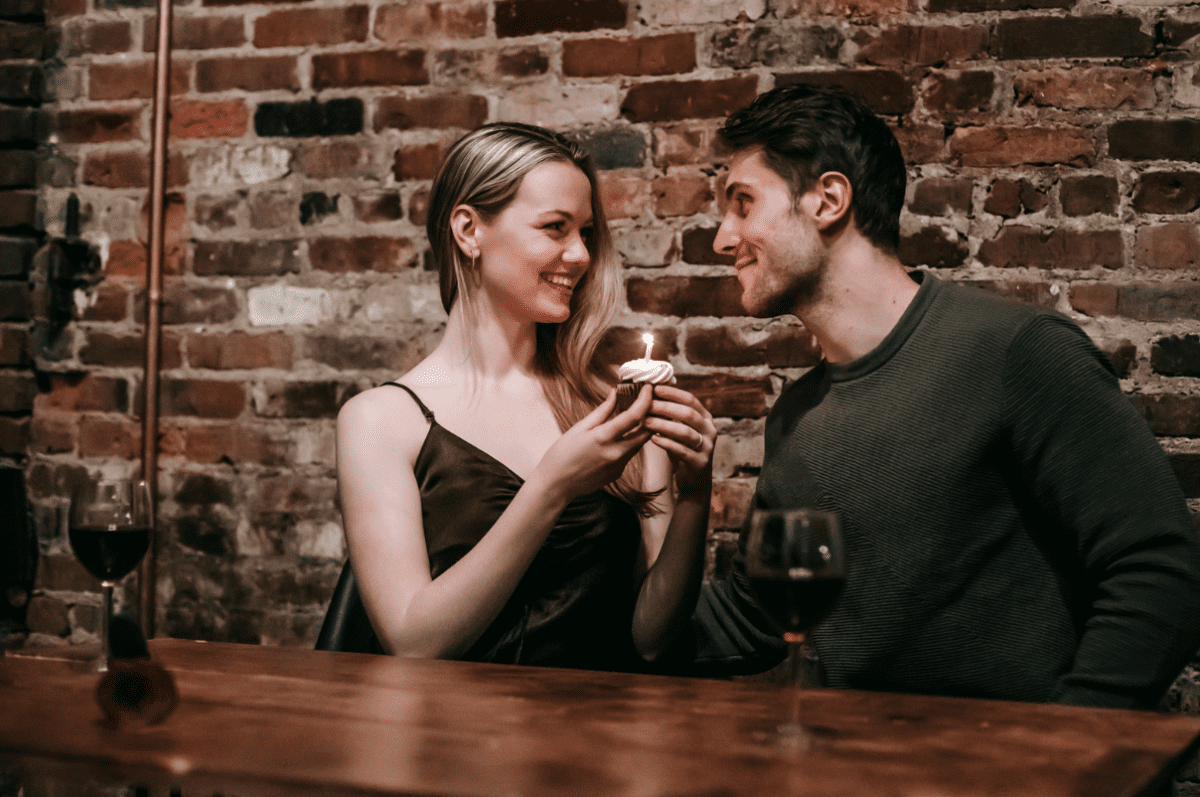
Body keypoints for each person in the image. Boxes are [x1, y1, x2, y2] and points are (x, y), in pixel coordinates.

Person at [686, 83, 1200, 708]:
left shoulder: (1015, 351)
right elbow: (756, 617)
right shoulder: (796, 415)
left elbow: (1161, 568)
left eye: (743, 205)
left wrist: (1070, 753)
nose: (722, 238)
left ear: (827, 199)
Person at [335, 122, 716, 671]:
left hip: (593, 734)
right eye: (555, 227)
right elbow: (415, 641)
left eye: (585, 232)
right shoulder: (380, 420)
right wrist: (553, 484)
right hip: (455, 742)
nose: (581, 254)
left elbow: (652, 639)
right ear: (469, 230)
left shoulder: (611, 406)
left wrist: (696, 493)